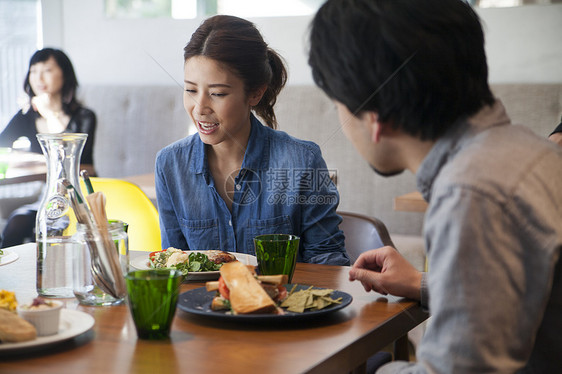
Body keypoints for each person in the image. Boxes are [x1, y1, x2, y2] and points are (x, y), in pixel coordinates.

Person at [308, 0, 562, 373]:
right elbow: (523, 293)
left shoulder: (471, 192)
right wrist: (424, 282)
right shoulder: (530, 149)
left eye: (338, 107)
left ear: (374, 118)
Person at [155, 15, 349, 265]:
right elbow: (174, 262)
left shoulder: (303, 161)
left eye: (217, 93)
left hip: (283, 302)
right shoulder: (169, 164)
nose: (199, 107)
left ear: (255, 93)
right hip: (201, 304)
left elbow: (329, 260)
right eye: (190, 90)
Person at [0, 48, 96, 248]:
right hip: (48, 196)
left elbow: (79, 164)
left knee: (56, 226)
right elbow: (2, 145)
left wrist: (50, 115)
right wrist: (26, 159)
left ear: (65, 74)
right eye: (33, 71)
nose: (38, 78)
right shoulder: (27, 115)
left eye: (47, 70)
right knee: (17, 222)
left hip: (79, 197)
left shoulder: (84, 117)